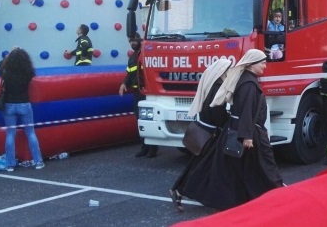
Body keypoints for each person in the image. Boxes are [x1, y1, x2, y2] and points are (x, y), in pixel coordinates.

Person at [180, 49, 283, 210]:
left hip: (238, 131)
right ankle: (278, 195)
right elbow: (247, 111)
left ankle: (253, 198)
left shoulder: (246, 79)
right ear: (252, 64)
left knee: (229, 169)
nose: (264, 66)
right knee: (264, 165)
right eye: (262, 63)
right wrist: (247, 136)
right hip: (248, 134)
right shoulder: (249, 83)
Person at [170, 58, 232, 212]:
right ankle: (181, 190)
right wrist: (228, 121)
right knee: (205, 166)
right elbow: (217, 112)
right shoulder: (218, 87)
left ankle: (178, 190)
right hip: (212, 133)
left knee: (199, 164)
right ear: (222, 72)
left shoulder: (211, 85)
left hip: (205, 131)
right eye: (229, 70)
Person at [0, 48, 45, 172]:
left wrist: (7, 56)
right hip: (24, 103)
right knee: (30, 132)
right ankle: (38, 161)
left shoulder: (6, 73)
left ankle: (10, 164)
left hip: (9, 105)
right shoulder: (27, 72)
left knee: (11, 133)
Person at [119, 35, 158, 158]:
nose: (132, 43)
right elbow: (129, 74)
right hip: (137, 93)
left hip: (148, 92)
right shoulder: (132, 58)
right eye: (130, 41)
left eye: (135, 40)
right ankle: (144, 148)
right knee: (140, 121)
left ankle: (153, 148)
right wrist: (124, 84)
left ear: (141, 41)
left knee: (150, 120)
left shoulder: (147, 55)